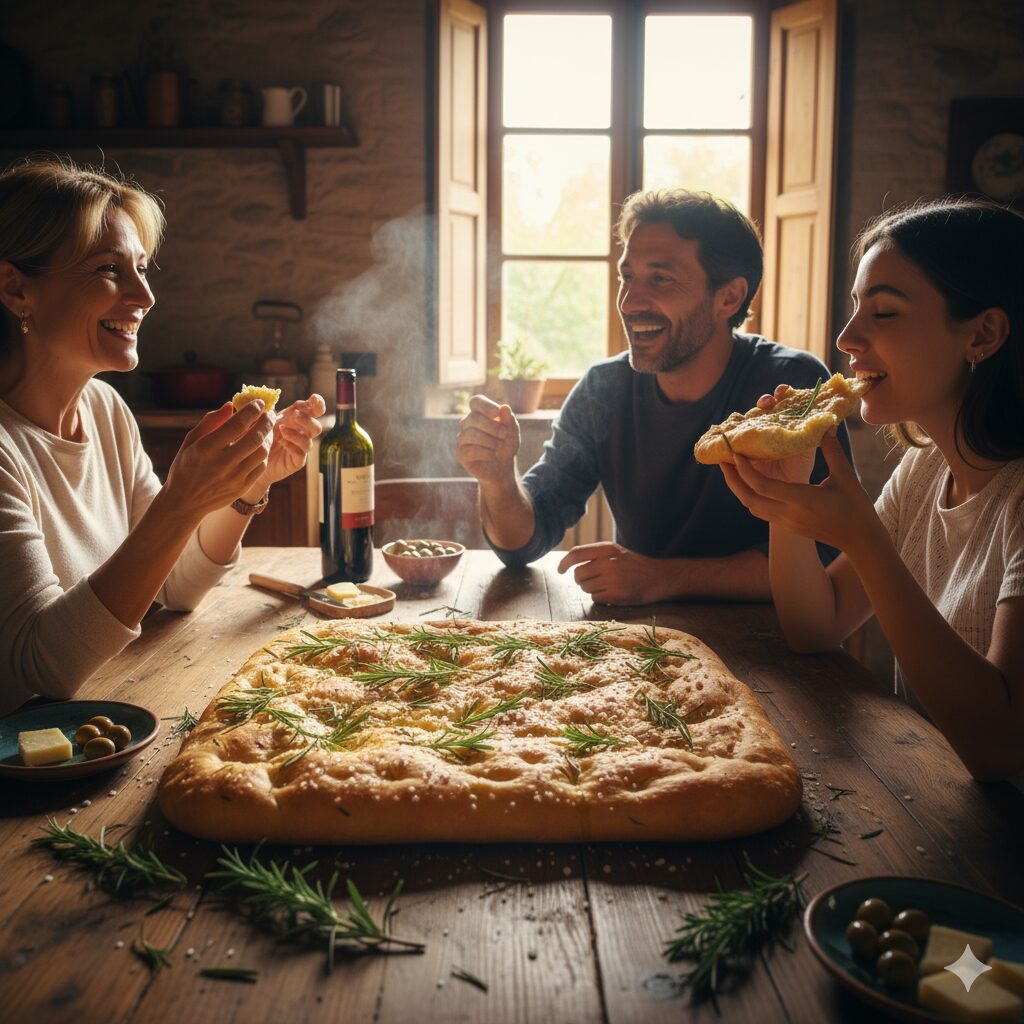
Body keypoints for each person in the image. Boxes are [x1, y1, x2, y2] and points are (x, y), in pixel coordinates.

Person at [0, 158, 326, 716]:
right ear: (15, 288)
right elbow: (42, 668)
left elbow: (175, 588)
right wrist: (180, 502)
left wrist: (248, 488)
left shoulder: (105, 410)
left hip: (112, 706)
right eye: (109, 270)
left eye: (142, 269)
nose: (144, 296)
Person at [721, 197, 1024, 783]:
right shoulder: (925, 470)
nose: (847, 338)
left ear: (983, 334)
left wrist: (865, 540)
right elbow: (817, 628)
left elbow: (1003, 745)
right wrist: (790, 491)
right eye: (856, 308)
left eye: (883, 314)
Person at [455, 188, 852, 605]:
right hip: (641, 644)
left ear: (729, 296)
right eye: (627, 277)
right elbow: (524, 541)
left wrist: (665, 578)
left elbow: (828, 552)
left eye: (660, 278)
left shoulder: (791, 385)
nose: (629, 302)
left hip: (778, 643)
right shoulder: (602, 390)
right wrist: (498, 479)